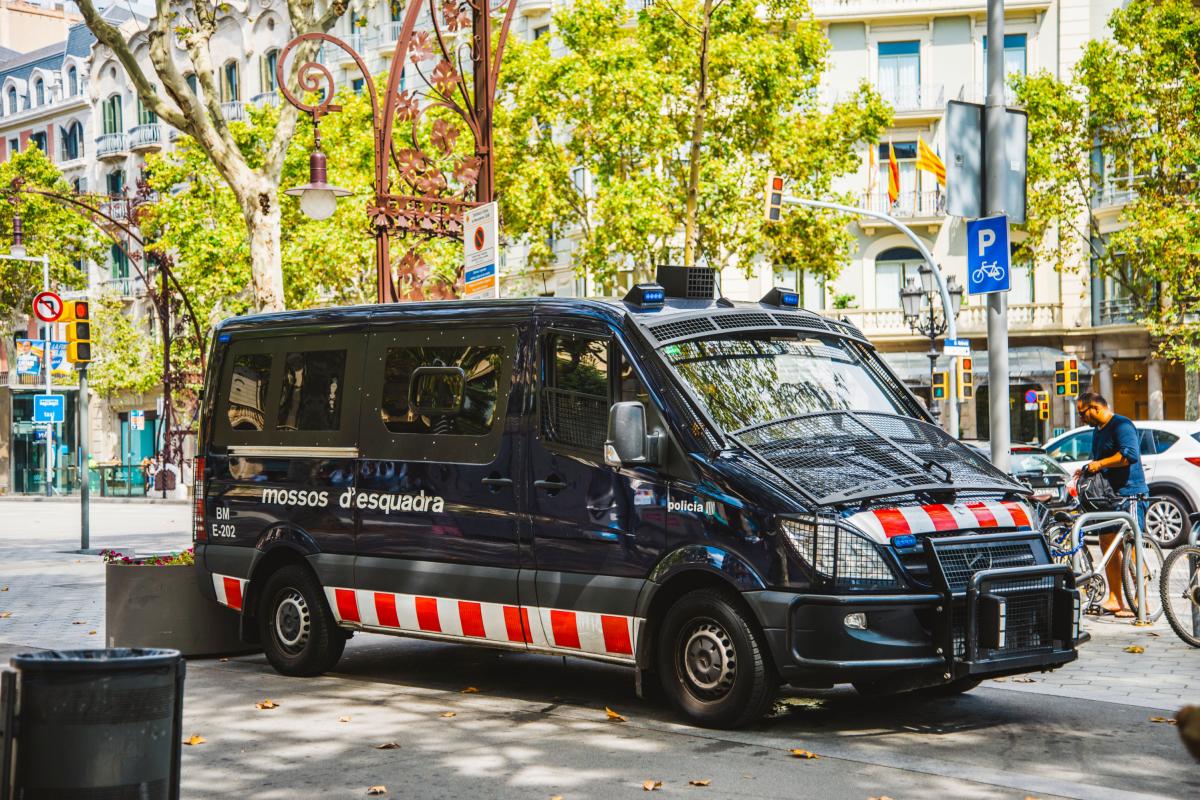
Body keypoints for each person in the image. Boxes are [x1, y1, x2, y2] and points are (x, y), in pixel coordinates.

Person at [1075, 391, 1148, 617]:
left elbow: (1129, 455)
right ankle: (1116, 598)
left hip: (1129, 493)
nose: (1081, 418)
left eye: (1082, 413)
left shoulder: (1122, 425)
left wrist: (1100, 464)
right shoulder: (1098, 431)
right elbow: (1101, 461)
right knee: (1106, 540)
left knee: (1131, 544)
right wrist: (1089, 467)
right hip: (1108, 496)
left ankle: (1142, 602)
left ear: (1095, 407)